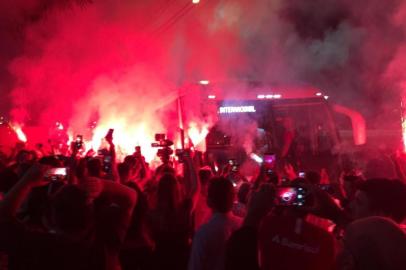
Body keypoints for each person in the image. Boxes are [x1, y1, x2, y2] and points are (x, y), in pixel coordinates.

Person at [0, 163, 137, 270]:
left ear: (48, 218)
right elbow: (131, 198)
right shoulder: (104, 246)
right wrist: (101, 184)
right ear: (90, 214)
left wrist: (27, 180)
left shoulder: (35, 245)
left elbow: (3, 217)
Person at [189, 177, 242, 270]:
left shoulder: (203, 233)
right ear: (233, 198)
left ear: (209, 201)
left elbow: (195, 266)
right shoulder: (242, 225)